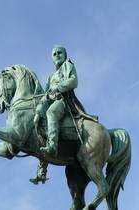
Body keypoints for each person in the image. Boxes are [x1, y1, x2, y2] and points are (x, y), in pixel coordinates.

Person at [30, 45, 98, 184]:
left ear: (65, 55)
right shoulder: (50, 77)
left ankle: (53, 146)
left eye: (59, 53)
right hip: (53, 101)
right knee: (40, 128)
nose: (57, 55)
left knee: (51, 112)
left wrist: (58, 87)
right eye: (54, 54)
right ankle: (42, 171)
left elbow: (74, 81)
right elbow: (46, 96)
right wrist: (37, 112)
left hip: (64, 102)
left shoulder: (68, 65)